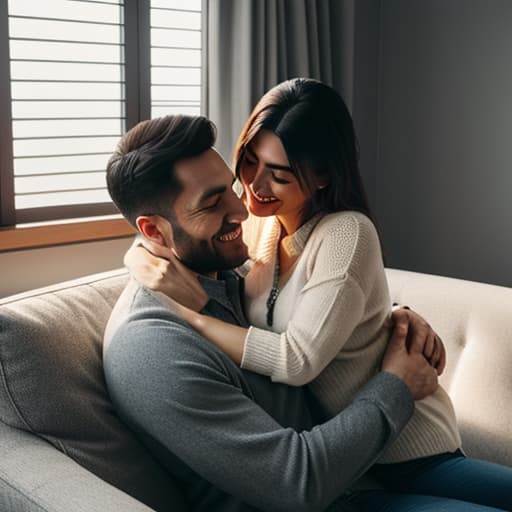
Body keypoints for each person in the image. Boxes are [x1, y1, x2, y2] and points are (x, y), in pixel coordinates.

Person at [125, 79, 512, 512]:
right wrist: (136, 254)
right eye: (250, 161)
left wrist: (195, 315)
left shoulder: (346, 232)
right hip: (350, 457)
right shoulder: (261, 228)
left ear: (324, 175)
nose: (252, 186)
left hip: (408, 447)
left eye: (280, 174)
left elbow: (297, 360)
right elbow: (176, 237)